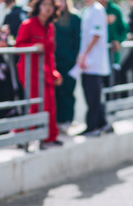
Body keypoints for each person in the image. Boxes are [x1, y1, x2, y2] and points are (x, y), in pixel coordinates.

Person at [15, 0, 63, 147]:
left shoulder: (50, 27)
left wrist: (54, 73)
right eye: (44, 5)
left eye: (50, 5)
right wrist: (33, 46)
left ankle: (49, 137)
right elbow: (18, 46)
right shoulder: (28, 24)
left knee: (50, 103)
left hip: (46, 71)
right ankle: (22, 138)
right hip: (29, 70)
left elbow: (50, 54)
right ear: (38, 7)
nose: (47, 8)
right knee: (34, 104)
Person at [77, 0, 110, 136]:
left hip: (94, 62)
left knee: (93, 95)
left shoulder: (97, 9)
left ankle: (93, 126)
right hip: (88, 61)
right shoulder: (88, 10)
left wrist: (84, 54)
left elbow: (96, 34)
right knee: (91, 94)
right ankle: (103, 124)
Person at [54, 0, 80, 132]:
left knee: (68, 92)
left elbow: (78, 41)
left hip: (69, 62)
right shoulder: (52, 18)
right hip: (55, 62)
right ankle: (57, 120)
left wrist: (75, 60)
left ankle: (67, 120)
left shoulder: (74, 18)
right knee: (55, 93)